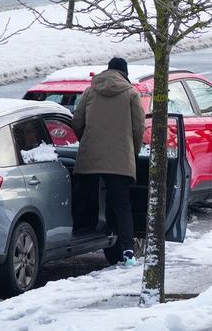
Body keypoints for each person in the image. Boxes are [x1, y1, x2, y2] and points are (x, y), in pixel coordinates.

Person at [71, 57, 144, 267]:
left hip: (90, 156)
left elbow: (77, 121)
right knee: (121, 205)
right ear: (124, 73)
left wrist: (87, 141)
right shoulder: (131, 94)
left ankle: (78, 232)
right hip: (120, 158)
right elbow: (138, 128)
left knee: (83, 196)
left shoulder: (90, 91)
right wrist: (133, 152)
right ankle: (128, 252)